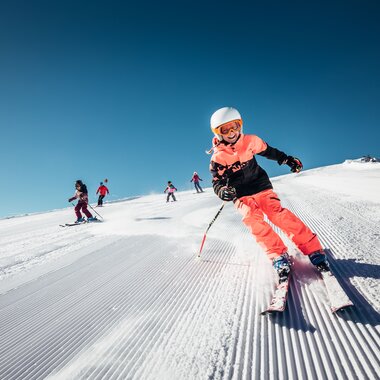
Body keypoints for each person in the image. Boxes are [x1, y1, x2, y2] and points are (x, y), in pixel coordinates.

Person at [208, 107, 329, 281]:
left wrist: (287, 160)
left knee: (277, 214)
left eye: (234, 126)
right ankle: (277, 255)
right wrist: (222, 191)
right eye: (225, 130)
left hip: (261, 186)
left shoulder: (250, 141)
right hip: (241, 194)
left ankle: (313, 249)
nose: (231, 132)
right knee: (252, 219)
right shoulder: (218, 158)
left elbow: (269, 151)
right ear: (218, 133)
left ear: (240, 125)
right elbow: (216, 182)